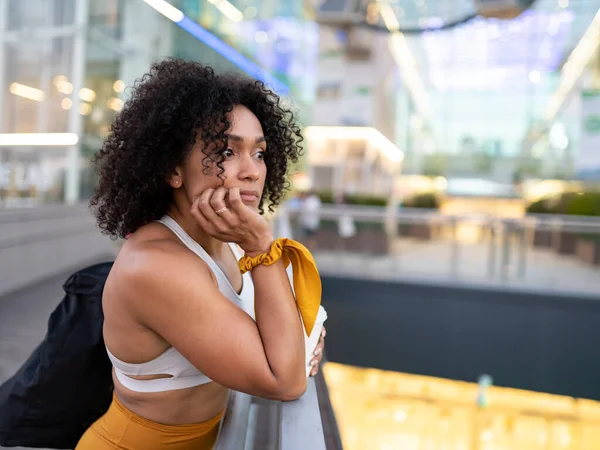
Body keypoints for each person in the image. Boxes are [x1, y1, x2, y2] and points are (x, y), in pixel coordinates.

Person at [77, 59, 326, 450]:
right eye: (228, 151)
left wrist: (303, 341)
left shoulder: (224, 237)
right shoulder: (156, 265)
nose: (252, 171)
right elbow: (285, 379)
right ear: (173, 169)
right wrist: (261, 247)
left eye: (259, 153)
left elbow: (283, 339)